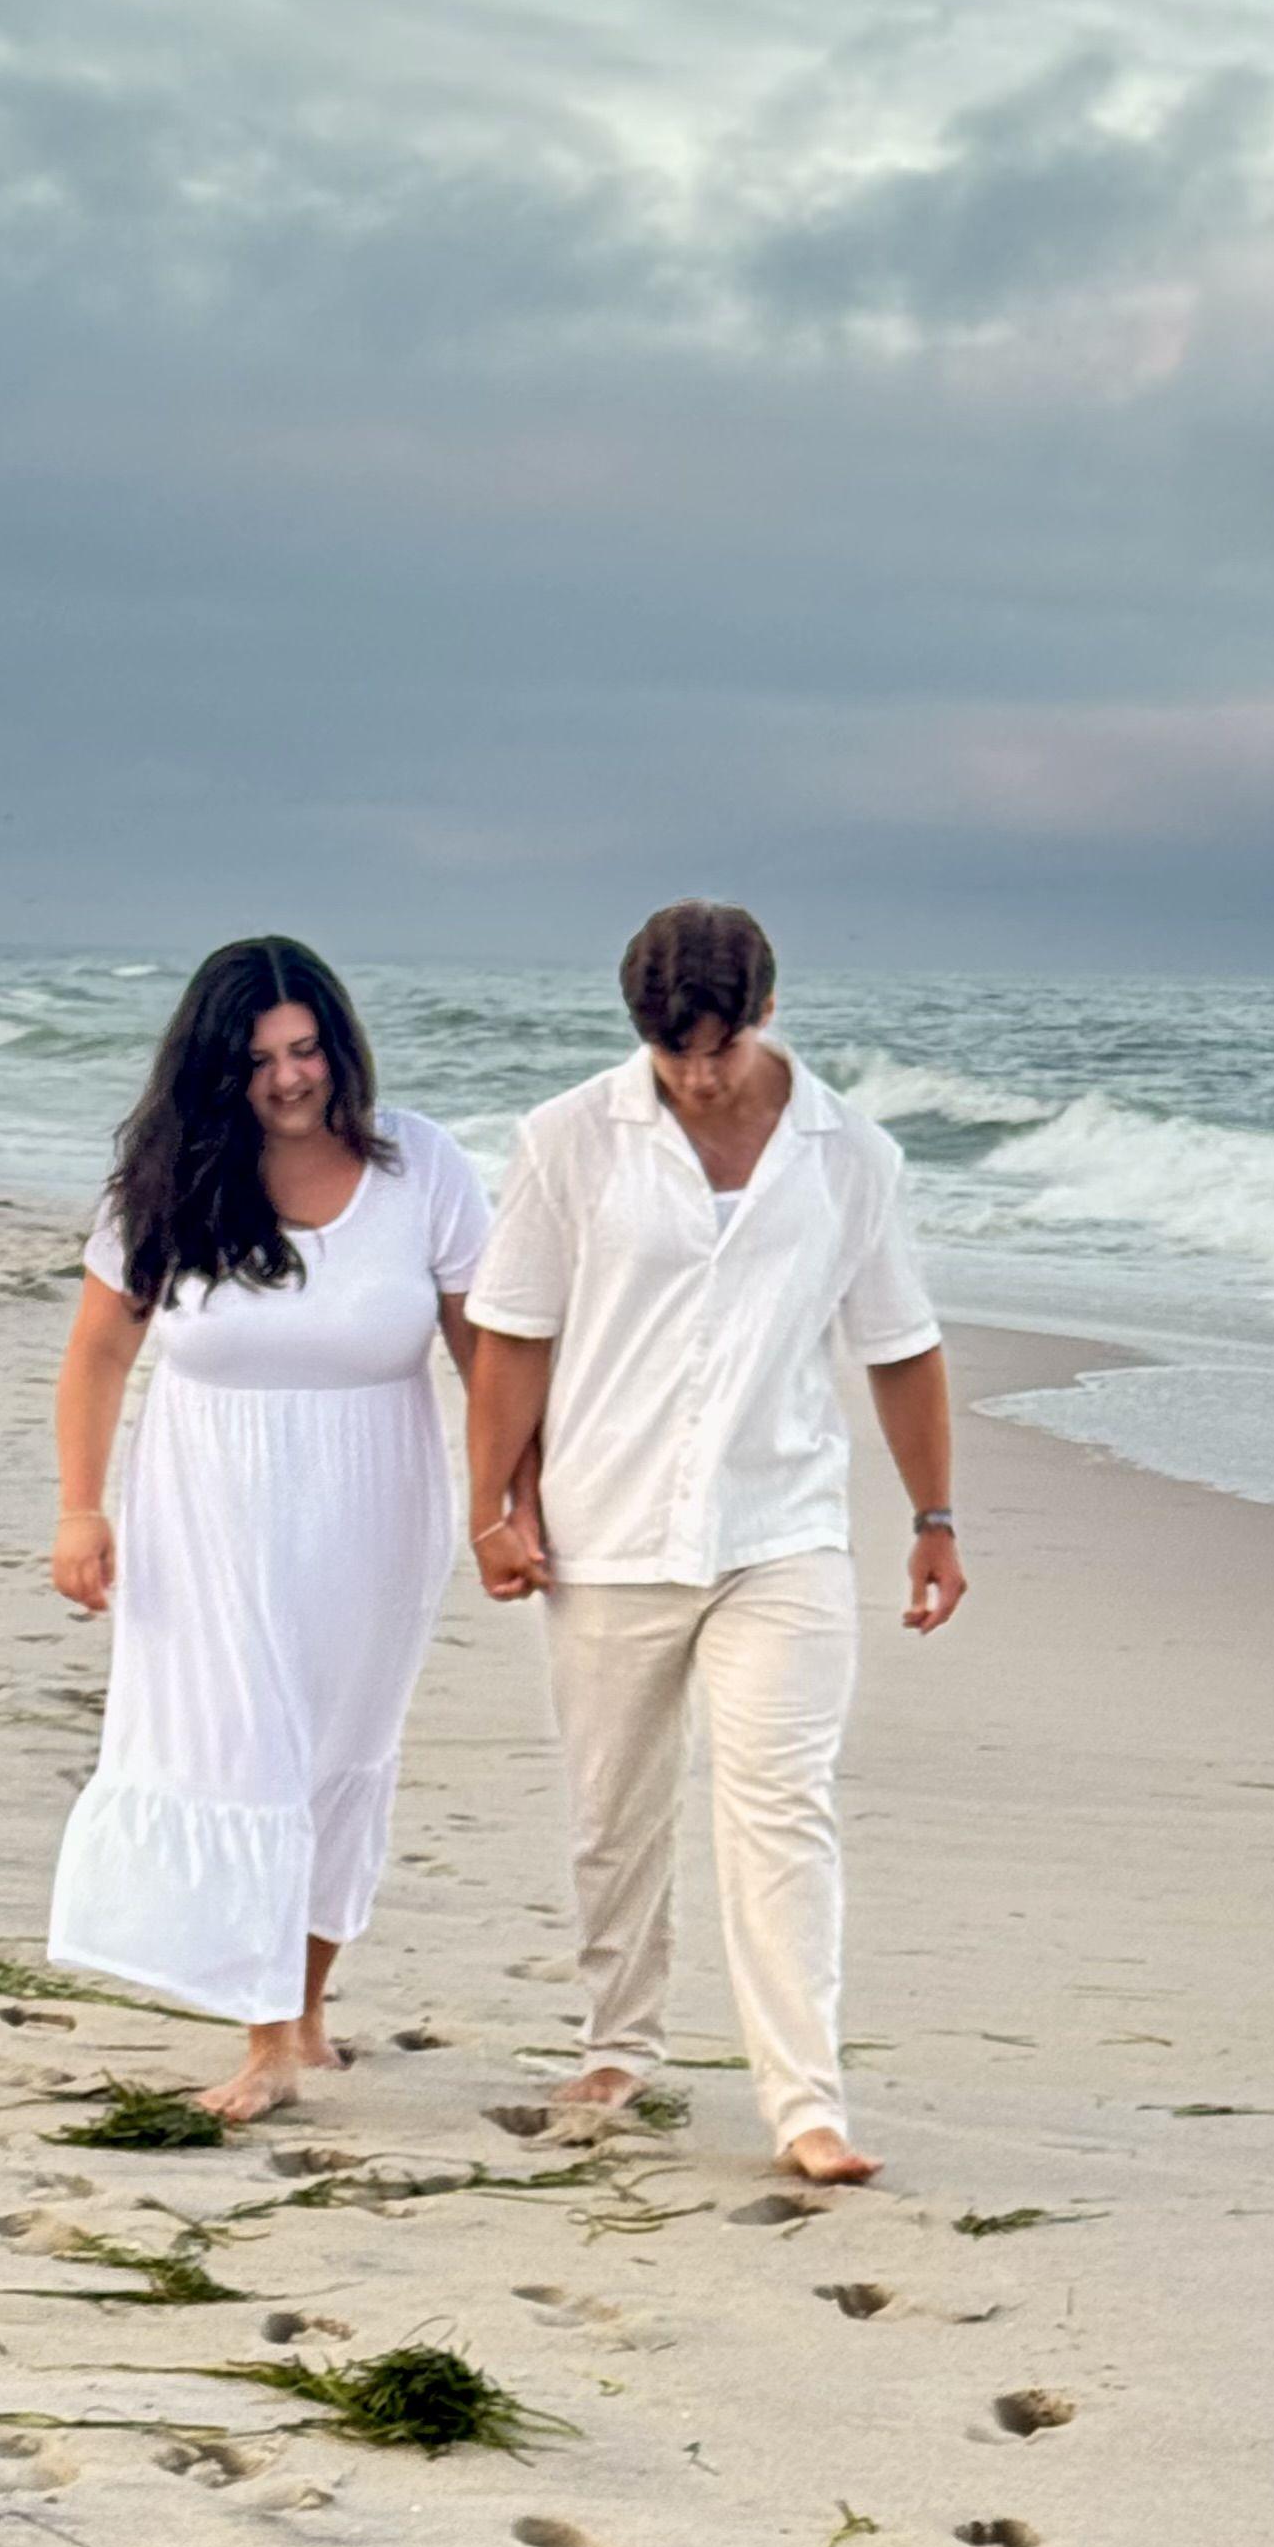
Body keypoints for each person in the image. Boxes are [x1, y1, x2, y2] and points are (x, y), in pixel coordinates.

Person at [462, 901, 961, 2186]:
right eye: (671, 1050)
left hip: (779, 1530)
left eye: (717, 1049)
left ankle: (806, 2105)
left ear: (768, 1012)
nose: (695, 1075)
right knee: (613, 1813)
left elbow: (899, 1348)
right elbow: (512, 1335)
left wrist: (934, 1519)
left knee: (781, 1807)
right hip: (605, 1526)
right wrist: (493, 1509)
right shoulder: (570, 1139)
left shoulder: (852, 1156)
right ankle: (620, 2044)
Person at [43, 937, 501, 2122]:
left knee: (338, 1762)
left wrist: (513, 1497)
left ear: (340, 1044)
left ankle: (301, 2020)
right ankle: (264, 2040)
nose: (289, 1079)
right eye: (258, 1061)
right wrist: (81, 1507)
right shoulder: (168, 1178)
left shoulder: (426, 1168)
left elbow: (485, 1351)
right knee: (244, 1754)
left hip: (375, 1506)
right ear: (214, 1069)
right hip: (205, 1507)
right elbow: (99, 1350)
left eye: (305, 1050)